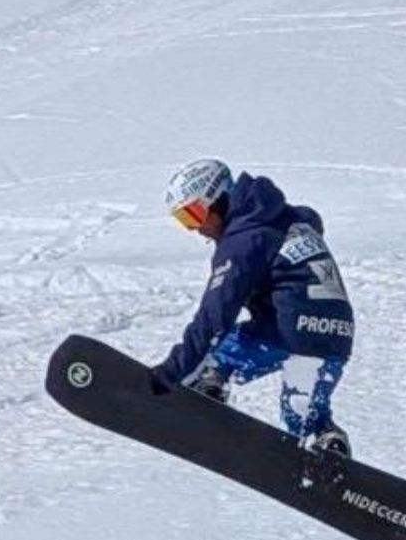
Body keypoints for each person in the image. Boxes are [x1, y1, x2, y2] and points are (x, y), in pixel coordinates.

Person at [151, 158, 354, 454]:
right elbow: (313, 219)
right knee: (303, 412)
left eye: (193, 215)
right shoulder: (287, 220)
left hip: (286, 332)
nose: (194, 229)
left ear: (216, 199)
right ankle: (326, 441)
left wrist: (169, 373)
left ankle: (211, 385)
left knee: (215, 352)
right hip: (337, 334)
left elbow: (214, 315)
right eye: (184, 221)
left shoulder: (244, 239)